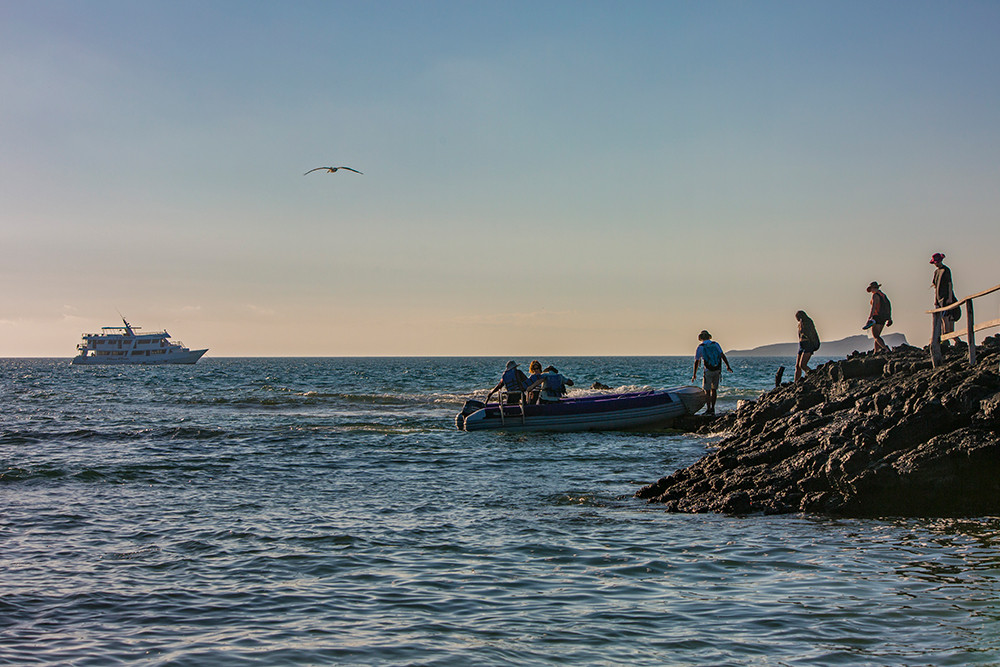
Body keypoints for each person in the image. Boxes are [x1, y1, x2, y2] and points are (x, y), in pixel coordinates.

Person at [691, 330, 731, 416]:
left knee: (707, 391)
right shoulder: (715, 344)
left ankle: (708, 409)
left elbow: (696, 361)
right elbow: (722, 355)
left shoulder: (700, 347)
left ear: (700, 338)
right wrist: (728, 366)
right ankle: (713, 408)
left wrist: (694, 374)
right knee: (714, 390)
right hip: (717, 370)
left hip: (708, 371)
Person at [931, 252, 958, 335]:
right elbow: (935, 287)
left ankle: (947, 336)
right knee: (942, 319)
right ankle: (946, 337)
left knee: (947, 318)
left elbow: (950, 284)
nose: (936, 264)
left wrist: (950, 297)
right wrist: (936, 300)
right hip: (939, 299)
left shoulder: (946, 270)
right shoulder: (936, 272)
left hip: (946, 298)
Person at [863, 282, 893, 353]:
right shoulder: (883, 295)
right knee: (877, 336)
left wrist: (870, 317)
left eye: (871, 289)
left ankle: (885, 349)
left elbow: (873, 307)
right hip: (884, 317)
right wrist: (889, 318)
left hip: (877, 316)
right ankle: (875, 351)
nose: (871, 291)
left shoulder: (875, 295)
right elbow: (889, 306)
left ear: (873, 288)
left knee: (876, 336)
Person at [794, 311, 820, 382]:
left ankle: (814, 376)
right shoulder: (799, 324)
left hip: (808, 344)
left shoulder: (808, 322)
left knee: (802, 365)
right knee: (797, 366)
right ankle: (796, 382)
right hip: (801, 345)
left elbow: (811, 334)